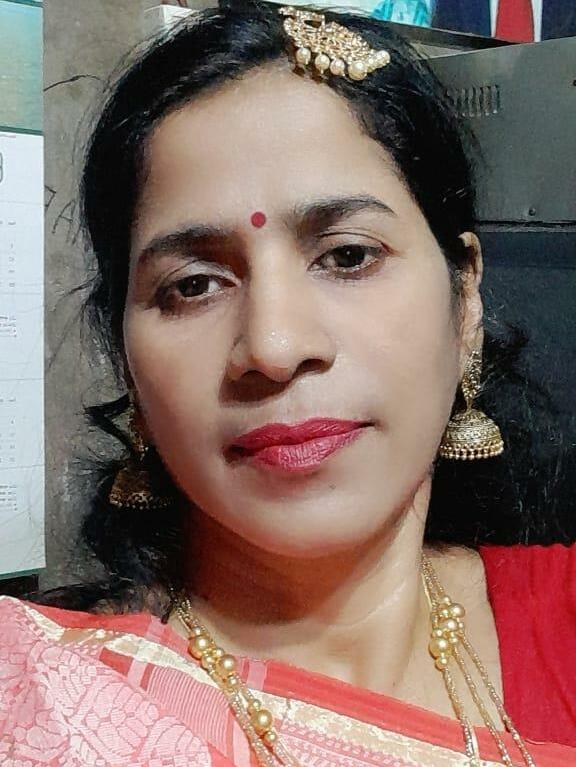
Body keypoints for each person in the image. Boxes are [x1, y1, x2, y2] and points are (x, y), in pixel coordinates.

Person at [1, 2, 574, 765]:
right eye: (194, 285)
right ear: (125, 359)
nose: (273, 347)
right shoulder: (46, 709)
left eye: (347, 256)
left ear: (464, 298)